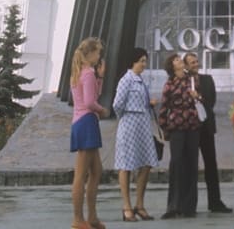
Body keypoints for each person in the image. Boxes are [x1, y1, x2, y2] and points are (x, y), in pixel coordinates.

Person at [113, 47, 159, 222]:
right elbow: (117, 104)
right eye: (141, 61)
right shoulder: (126, 80)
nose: (144, 64)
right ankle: (127, 206)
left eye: (145, 61)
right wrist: (125, 118)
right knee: (126, 165)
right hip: (130, 123)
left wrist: (149, 104)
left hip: (143, 124)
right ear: (133, 61)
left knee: (146, 163)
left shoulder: (141, 81)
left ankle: (140, 204)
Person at [185, 51, 232, 214]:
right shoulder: (182, 82)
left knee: (211, 164)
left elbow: (211, 101)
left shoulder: (207, 80)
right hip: (189, 128)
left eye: (196, 61)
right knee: (190, 165)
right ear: (185, 66)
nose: (195, 64)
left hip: (205, 128)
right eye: (191, 62)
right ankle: (189, 204)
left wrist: (198, 97)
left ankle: (215, 202)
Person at [70, 37, 108, 229]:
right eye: (98, 52)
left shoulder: (81, 73)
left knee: (96, 171)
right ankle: (78, 219)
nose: (99, 55)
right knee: (82, 173)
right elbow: (90, 102)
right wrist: (102, 110)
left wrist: (99, 77)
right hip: (86, 122)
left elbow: (91, 95)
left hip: (82, 122)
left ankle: (91, 216)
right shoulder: (87, 74)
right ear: (91, 53)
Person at [158, 51, 201, 219]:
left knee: (192, 164)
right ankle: (173, 205)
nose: (180, 61)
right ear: (172, 66)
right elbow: (163, 108)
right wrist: (165, 128)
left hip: (192, 126)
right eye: (176, 60)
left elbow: (201, 101)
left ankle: (189, 206)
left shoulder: (193, 80)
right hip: (176, 127)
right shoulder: (169, 84)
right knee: (176, 164)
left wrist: (198, 96)